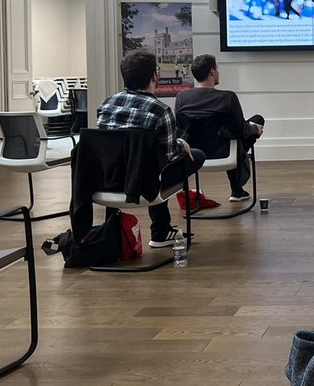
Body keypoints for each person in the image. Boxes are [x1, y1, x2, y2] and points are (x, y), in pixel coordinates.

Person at [97, 49, 206, 248]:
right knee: (194, 156)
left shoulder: (107, 104)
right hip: (143, 186)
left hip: (106, 182)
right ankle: (160, 231)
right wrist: (182, 144)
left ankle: (111, 229)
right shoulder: (160, 110)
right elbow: (170, 155)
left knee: (147, 160)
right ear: (154, 77)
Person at [174, 54, 264, 202]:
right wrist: (255, 129)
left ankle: (237, 189)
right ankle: (236, 190)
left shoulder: (182, 97)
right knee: (254, 122)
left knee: (232, 135)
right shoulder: (228, 97)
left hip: (193, 154)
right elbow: (241, 129)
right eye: (217, 68)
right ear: (212, 72)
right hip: (224, 152)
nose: (218, 71)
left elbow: (180, 128)